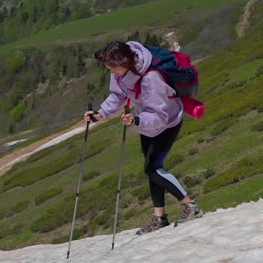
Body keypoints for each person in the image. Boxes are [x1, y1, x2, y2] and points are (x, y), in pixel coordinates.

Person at [84, 40, 202, 234]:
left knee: (152, 168)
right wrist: (99, 115)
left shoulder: (151, 78)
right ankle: (160, 217)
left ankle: (191, 207)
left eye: (114, 69)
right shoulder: (120, 72)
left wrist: (137, 121)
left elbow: (160, 117)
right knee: (151, 169)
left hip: (167, 123)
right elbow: (117, 96)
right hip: (147, 125)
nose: (112, 72)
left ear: (127, 63)